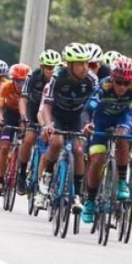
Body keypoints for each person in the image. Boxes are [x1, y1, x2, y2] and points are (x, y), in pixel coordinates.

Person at [82, 57, 132, 223]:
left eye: (126, 83)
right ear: (112, 78)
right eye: (119, 82)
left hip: (122, 117)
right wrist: (86, 124)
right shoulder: (103, 85)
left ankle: (122, 182)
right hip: (101, 120)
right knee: (97, 159)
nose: (122, 87)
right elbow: (88, 109)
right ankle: (90, 200)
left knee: (122, 136)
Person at [40, 42, 98, 212]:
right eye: (80, 64)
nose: (85, 67)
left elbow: (97, 106)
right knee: (56, 143)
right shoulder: (57, 77)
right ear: (69, 65)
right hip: (57, 115)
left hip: (78, 117)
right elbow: (47, 106)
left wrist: (90, 124)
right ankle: (47, 176)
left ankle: (77, 195)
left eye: (86, 63)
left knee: (78, 151)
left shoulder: (91, 80)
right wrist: (48, 125)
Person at [17, 49, 61, 194]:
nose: (51, 70)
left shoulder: (60, 79)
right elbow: (23, 99)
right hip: (33, 108)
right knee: (29, 138)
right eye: (48, 67)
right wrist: (24, 117)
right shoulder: (33, 76)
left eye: (54, 67)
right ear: (42, 67)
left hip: (49, 110)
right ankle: (22, 173)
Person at [0, 63, 30, 196]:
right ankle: (0, 179)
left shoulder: (30, 88)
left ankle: (22, 173)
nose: (21, 85)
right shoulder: (6, 86)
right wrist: (0, 119)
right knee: (4, 147)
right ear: (13, 79)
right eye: (18, 81)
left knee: (26, 144)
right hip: (9, 115)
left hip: (23, 116)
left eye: (24, 81)